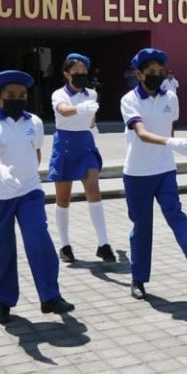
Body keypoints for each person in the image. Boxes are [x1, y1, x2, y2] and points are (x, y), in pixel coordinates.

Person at [0, 70, 74, 324]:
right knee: (1, 247)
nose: (17, 99)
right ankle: (3, 301)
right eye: (10, 95)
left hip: (29, 191)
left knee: (39, 238)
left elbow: (36, 153)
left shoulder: (35, 122)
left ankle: (50, 296)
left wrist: (28, 173)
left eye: (22, 95)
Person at [121, 48, 187, 299]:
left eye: (159, 71)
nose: (157, 75)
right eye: (151, 72)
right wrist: (170, 143)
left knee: (176, 214)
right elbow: (141, 133)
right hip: (138, 173)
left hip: (165, 169)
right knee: (142, 227)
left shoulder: (170, 98)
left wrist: (170, 146)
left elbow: (169, 126)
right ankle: (138, 279)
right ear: (138, 74)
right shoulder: (130, 100)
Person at [47, 53, 115, 264]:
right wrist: (79, 108)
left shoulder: (92, 94)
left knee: (94, 190)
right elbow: (63, 111)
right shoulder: (59, 94)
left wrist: (95, 133)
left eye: (84, 72)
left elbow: (91, 120)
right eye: (77, 72)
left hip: (85, 145)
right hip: (65, 145)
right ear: (67, 74)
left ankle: (103, 244)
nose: (81, 75)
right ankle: (65, 245)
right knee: (63, 198)